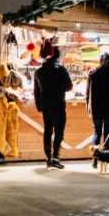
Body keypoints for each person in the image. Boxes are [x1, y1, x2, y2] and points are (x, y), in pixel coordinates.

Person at [33, 41, 73, 169]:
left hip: (46, 105)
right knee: (59, 131)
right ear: (58, 56)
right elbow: (69, 86)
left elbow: (36, 91)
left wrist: (39, 105)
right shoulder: (61, 69)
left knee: (48, 130)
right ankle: (55, 157)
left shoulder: (39, 71)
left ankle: (48, 157)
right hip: (58, 104)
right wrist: (60, 88)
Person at [86, 52, 109, 152]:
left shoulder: (93, 75)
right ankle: (106, 156)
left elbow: (87, 94)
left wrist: (88, 110)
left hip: (96, 108)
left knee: (96, 132)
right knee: (107, 132)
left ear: (99, 61)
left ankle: (95, 158)